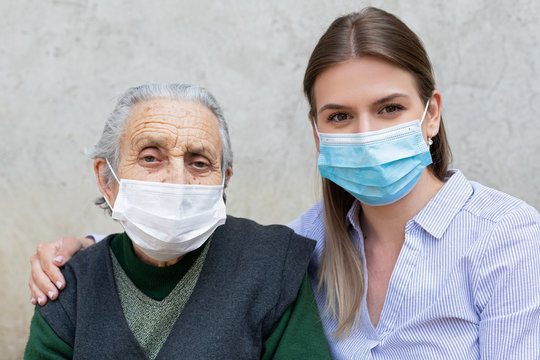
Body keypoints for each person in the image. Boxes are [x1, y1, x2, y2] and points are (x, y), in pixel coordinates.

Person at [29, 7, 540, 359]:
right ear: (318, 133)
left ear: (431, 115)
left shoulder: (508, 238)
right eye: (339, 116)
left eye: (389, 108)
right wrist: (85, 252)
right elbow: (201, 242)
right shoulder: (308, 242)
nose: (365, 133)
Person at [24, 83, 331, 359]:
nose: (177, 181)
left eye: (199, 163)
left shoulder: (273, 266)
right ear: (107, 179)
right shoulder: (67, 284)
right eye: (150, 158)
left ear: (223, 181)